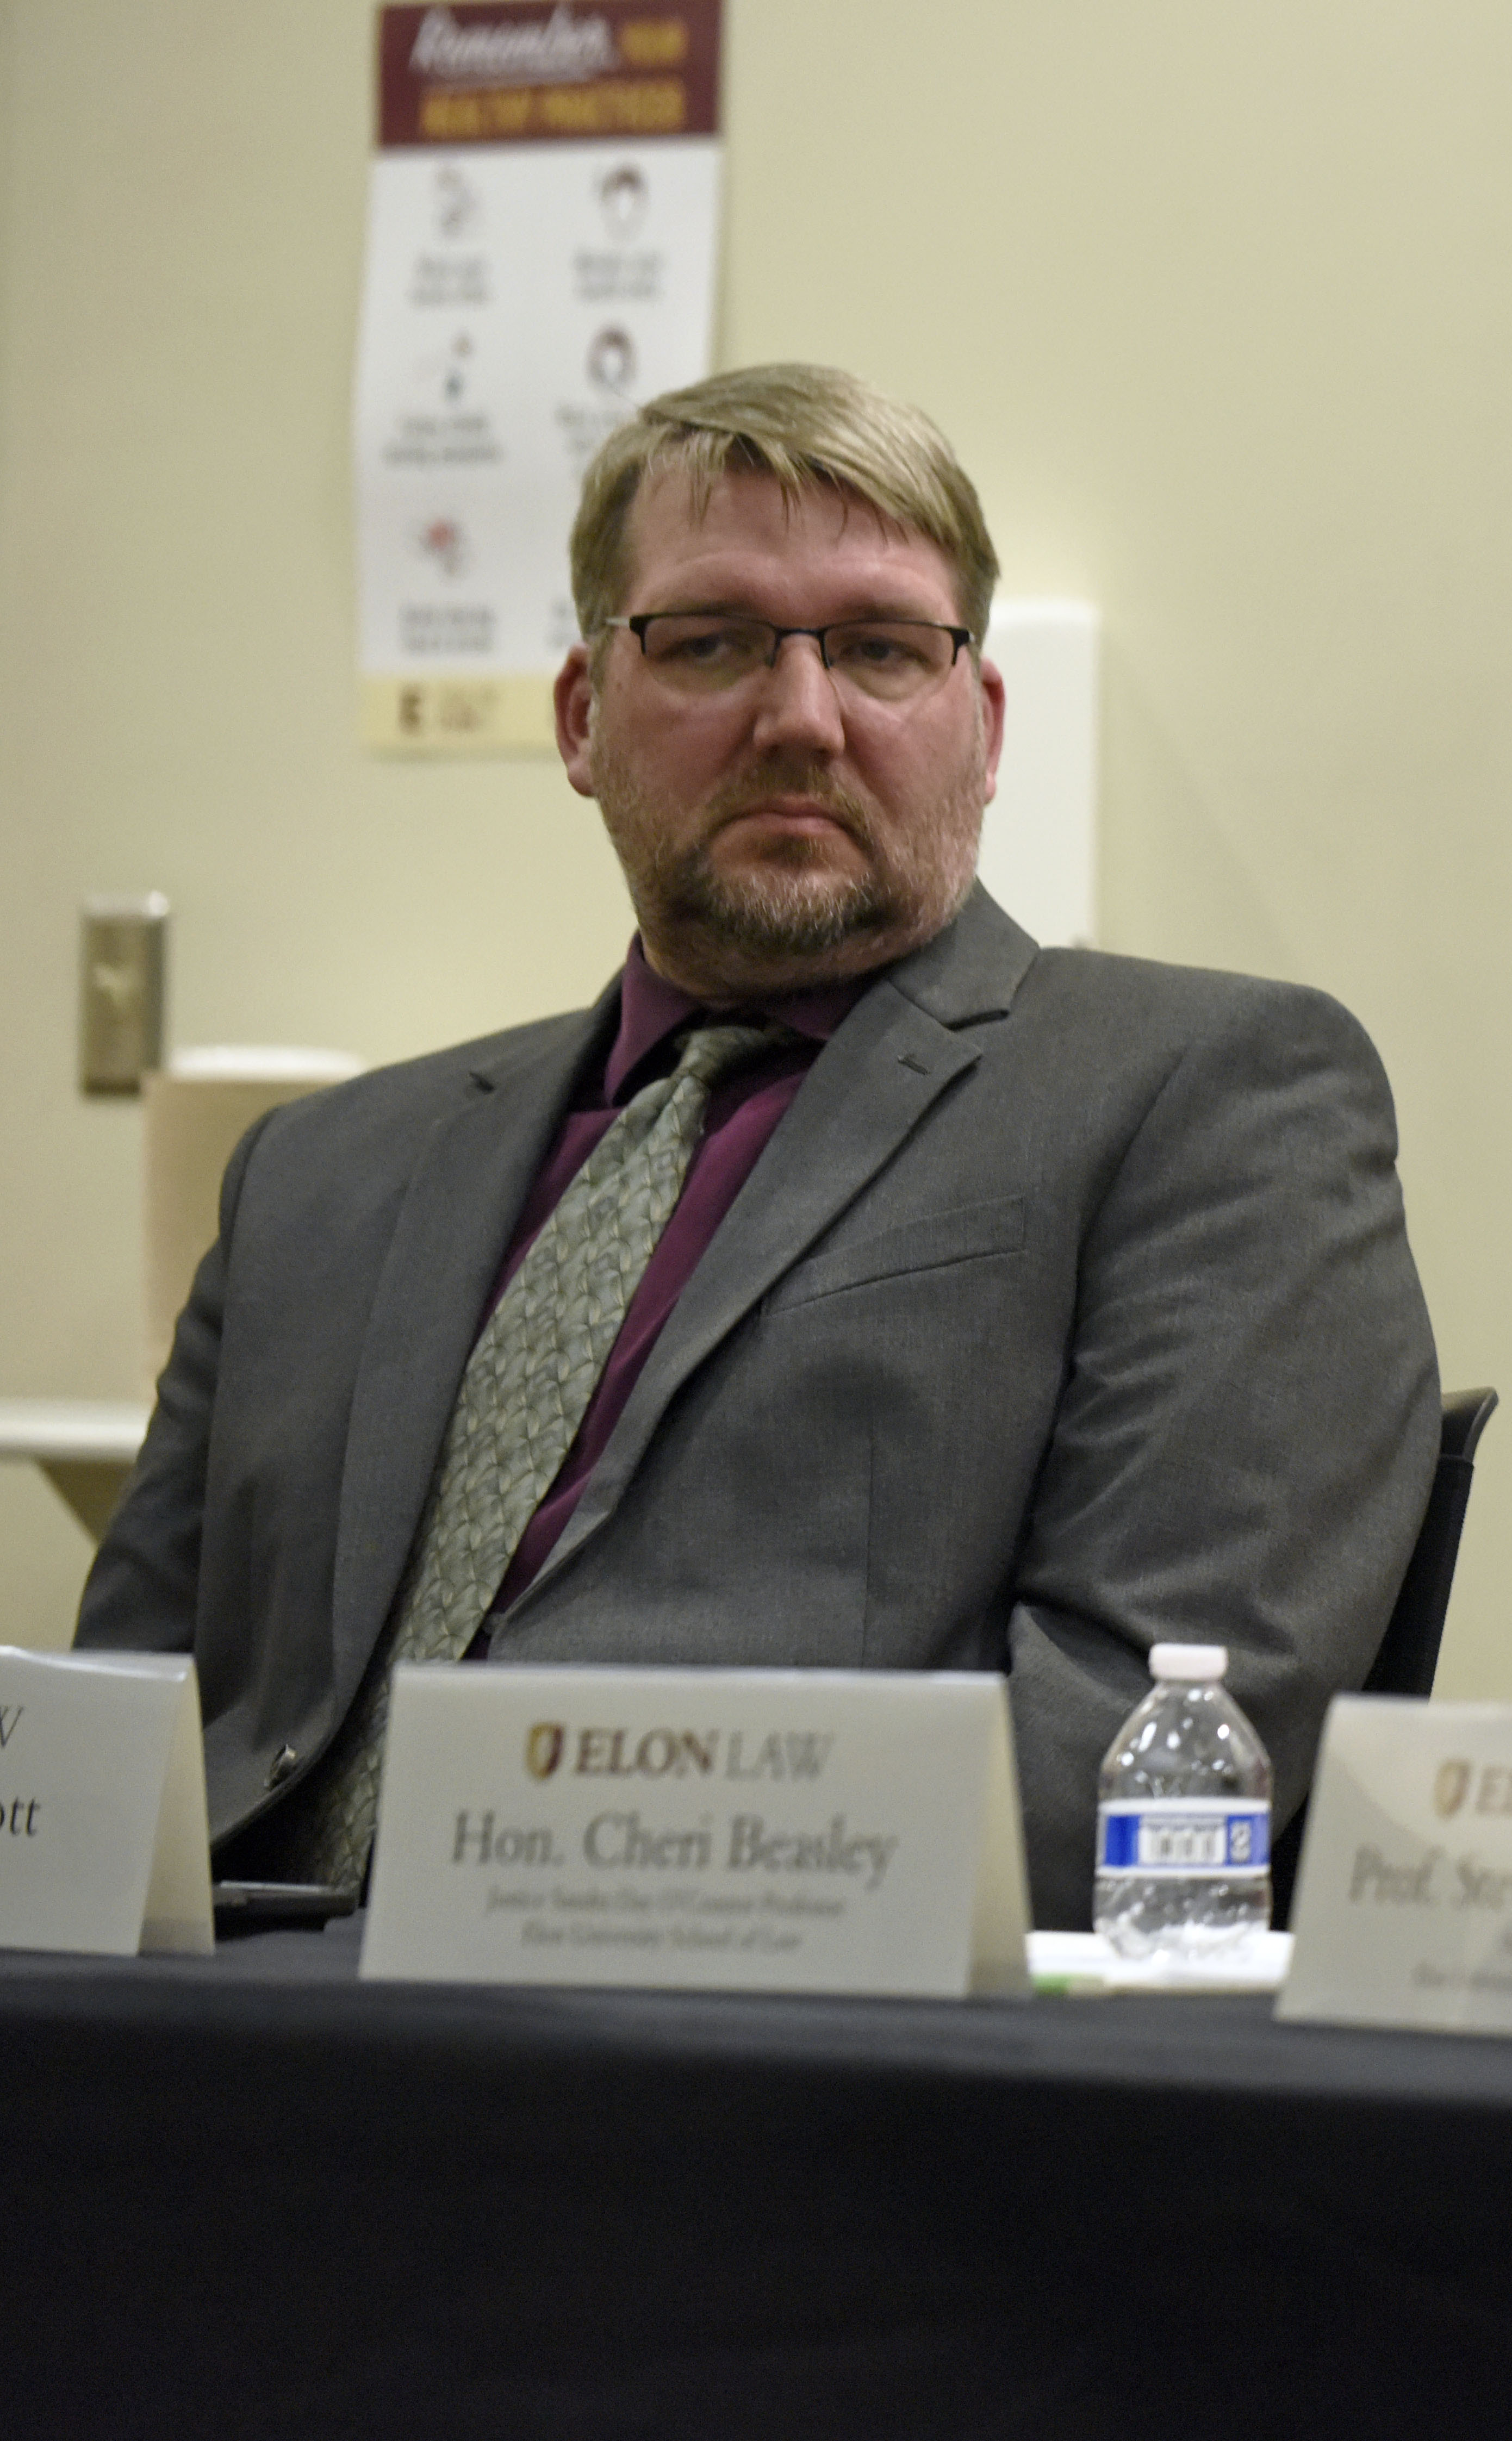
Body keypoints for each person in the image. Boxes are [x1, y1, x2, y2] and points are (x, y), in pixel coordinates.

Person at [77, 364, 1439, 1928]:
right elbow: (106, 1735)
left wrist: (544, 1915)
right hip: (185, 2051)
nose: (801, 719)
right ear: (584, 717)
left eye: (879, 650)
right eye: (712, 641)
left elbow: (1140, 1756)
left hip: (753, 2067)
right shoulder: (316, 1172)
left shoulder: (1202, 1095)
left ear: (983, 726)